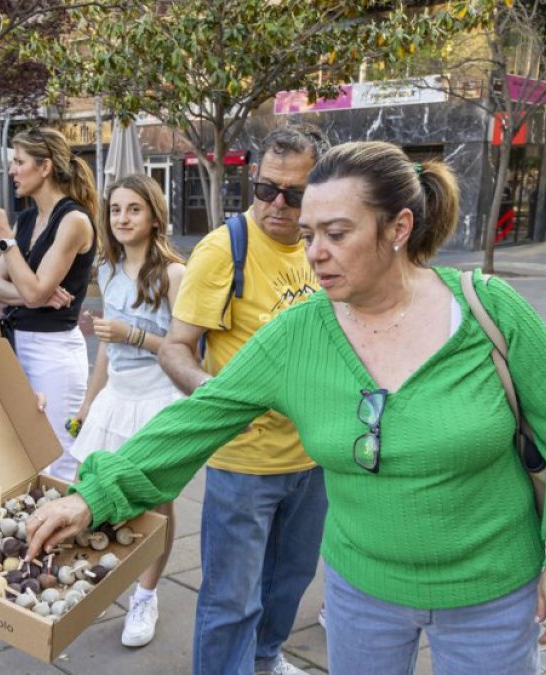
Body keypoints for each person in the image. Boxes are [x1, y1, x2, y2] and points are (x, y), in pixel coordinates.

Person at [26, 141, 546, 675]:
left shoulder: (491, 310)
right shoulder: (297, 335)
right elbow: (196, 419)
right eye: (308, 235)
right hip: (362, 597)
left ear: (398, 228)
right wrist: (93, 497)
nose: (315, 252)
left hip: (494, 597)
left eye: (337, 234)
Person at [146, 125, 330, 675]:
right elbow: (176, 348)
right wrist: (216, 397)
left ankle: (265, 658)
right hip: (245, 463)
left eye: (294, 194)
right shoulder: (224, 249)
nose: (277, 204)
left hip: (314, 457)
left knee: (289, 582)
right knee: (231, 599)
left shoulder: (323, 245)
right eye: (266, 188)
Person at [68, 174, 185, 648]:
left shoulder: (174, 275)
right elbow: (105, 348)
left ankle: (146, 595)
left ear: (155, 215)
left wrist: (133, 334)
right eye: (115, 209)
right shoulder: (108, 270)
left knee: (155, 504)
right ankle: (99, 579)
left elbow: (185, 351)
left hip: (158, 398)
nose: (122, 218)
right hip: (116, 395)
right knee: (89, 486)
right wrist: (88, 401)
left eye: (134, 209)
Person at [0, 127, 98, 483]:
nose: (12, 171)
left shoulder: (74, 221)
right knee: (24, 452)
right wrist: (39, 295)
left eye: (19, 162)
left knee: (61, 455)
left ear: (45, 167)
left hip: (55, 351)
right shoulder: (28, 219)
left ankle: (66, 517)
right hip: (17, 344)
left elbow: (29, 291)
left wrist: (5, 237)